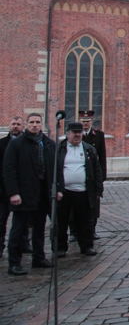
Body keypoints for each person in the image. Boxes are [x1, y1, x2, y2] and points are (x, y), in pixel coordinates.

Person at [4, 113, 55, 276]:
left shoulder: (48, 144)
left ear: (42, 124)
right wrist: (13, 193)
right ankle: (14, 262)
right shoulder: (16, 144)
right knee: (18, 230)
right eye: (31, 122)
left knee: (40, 228)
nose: (34, 125)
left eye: (38, 122)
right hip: (23, 193)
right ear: (26, 124)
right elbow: (9, 170)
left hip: (42, 192)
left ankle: (39, 257)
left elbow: (56, 168)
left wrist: (57, 189)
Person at [55, 121, 102, 257]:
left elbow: (96, 170)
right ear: (67, 134)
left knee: (85, 221)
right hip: (64, 192)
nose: (77, 135)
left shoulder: (88, 149)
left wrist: (98, 190)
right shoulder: (59, 149)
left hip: (83, 191)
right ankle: (60, 247)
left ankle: (87, 246)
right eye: (74, 133)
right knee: (61, 221)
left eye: (79, 133)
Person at [79, 110, 106, 240]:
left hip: (93, 175)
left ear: (91, 122)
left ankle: (92, 230)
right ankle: (74, 232)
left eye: (87, 121)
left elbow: (102, 157)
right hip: (80, 173)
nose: (85, 124)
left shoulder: (99, 135)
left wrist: (102, 176)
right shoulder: (76, 135)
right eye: (83, 122)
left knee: (94, 205)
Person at [0, 116, 24, 259]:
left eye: (18, 124)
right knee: (1, 220)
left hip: (21, 189)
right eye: (13, 124)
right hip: (3, 190)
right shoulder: (2, 143)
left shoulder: (26, 143)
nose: (15, 126)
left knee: (23, 221)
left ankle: (23, 243)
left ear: (23, 126)